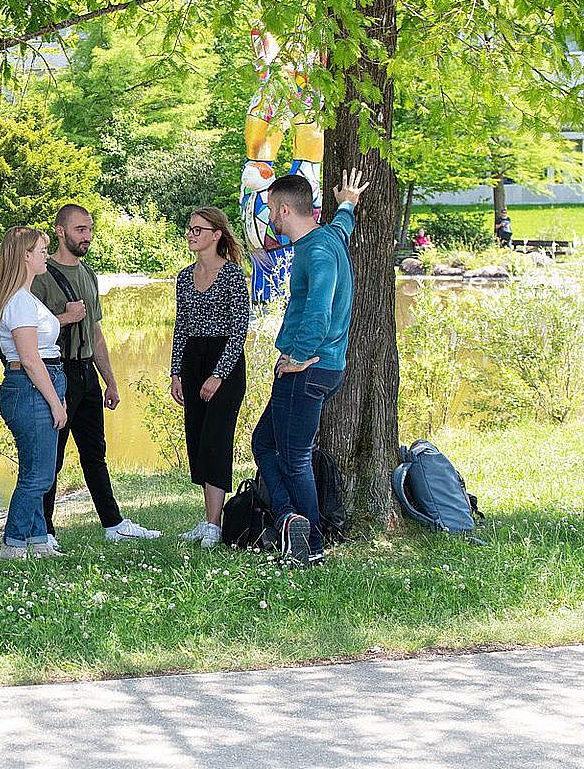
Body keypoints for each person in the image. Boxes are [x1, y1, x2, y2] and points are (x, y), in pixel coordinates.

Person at [252, 168, 368, 566]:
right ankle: (290, 519)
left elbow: (319, 308)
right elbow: (343, 226)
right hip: (324, 368)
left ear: (285, 209)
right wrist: (348, 203)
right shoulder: (329, 237)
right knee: (264, 443)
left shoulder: (316, 251)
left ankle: (311, 543)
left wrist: (298, 356)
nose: (269, 218)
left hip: (309, 369)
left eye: (270, 210)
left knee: (295, 457)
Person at [31, 204, 160, 545]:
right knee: (51, 457)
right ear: (60, 231)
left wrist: (111, 381)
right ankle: (43, 531)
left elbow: (96, 332)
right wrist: (65, 318)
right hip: (57, 372)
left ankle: (113, 524)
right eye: (79, 230)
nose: (86, 236)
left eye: (89, 229)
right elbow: (27, 333)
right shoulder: (41, 275)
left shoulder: (88, 274)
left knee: (94, 453)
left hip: (87, 374)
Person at [168, 205, 250, 549]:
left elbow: (239, 328)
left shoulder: (232, 275)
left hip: (225, 364)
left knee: (216, 440)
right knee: (199, 441)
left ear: (216, 235)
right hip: (192, 362)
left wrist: (218, 374)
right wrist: (175, 371)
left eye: (198, 230)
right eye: (190, 229)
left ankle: (214, 527)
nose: (191, 234)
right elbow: (181, 325)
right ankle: (207, 521)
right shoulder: (185, 277)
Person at [0, 226, 67, 559]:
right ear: (25, 256)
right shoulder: (20, 303)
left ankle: (38, 539)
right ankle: (13, 541)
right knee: (38, 475)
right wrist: (55, 401)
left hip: (41, 382)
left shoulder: (26, 298)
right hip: (30, 386)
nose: (46, 255)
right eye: (41, 250)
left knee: (39, 469)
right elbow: (30, 358)